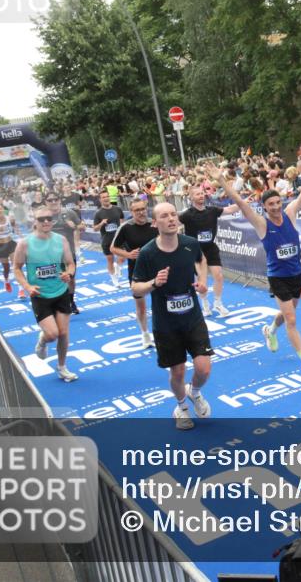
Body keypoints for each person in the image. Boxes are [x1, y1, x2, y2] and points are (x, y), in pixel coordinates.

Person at [206, 152, 301, 380]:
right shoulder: (261, 223)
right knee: (293, 320)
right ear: (264, 206)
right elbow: (238, 200)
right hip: (278, 277)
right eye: (271, 204)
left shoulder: (290, 214)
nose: (276, 207)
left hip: (297, 274)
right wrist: (221, 179)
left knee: (288, 314)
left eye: (278, 202)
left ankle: (270, 330)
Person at [131, 202, 211, 430]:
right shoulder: (147, 253)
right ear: (155, 223)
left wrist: (203, 281)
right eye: (164, 216)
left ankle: (194, 392)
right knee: (177, 371)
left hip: (193, 318)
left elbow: (201, 260)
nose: (171, 219)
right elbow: (135, 288)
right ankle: (181, 406)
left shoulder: (190, 244)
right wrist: (154, 283)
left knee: (204, 368)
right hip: (166, 324)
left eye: (173, 214)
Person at [12, 207, 78, 382]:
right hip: (40, 295)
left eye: (49, 218)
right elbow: (17, 268)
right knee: (52, 334)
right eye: (42, 219)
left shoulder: (61, 240)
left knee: (63, 333)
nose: (46, 222)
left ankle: (62, 367)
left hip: (61, 291)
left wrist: (69, 274)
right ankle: (42, 340)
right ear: (35, 222)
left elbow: (70, 264)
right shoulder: (25, 244)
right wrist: (27, 286)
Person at [178, 184, 239, 317]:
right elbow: (174, 223)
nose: (201, 196)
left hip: (211, 248)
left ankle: (218, 303)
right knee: (201, 279)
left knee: (219, 275)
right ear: (191, 197)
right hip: (195, 251)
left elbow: (229, 210)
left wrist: (243, 203)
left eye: (202, 193)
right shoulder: (187, 215)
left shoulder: (212, 210)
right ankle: (205, 303)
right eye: (197, 194)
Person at [112, 198, 160, 348]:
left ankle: (162, 332)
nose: (140, 212)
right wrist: (128, 255)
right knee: (141, 306)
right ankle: (145, 334)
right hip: (137, 270)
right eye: (137, 210)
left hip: (157, 269)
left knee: (161, 302)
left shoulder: (154, 224)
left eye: (142, 209)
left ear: (146, 209)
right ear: (131, 212)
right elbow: (113, 248)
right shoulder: (126, 227)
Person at [46, 194, 82, 312]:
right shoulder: (44, 216)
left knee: (70, 279)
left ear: (60, 200)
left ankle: (71, 302)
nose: (53, 202)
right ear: (46, 202)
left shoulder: (69, 212)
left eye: (56, 199)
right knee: (55, 279)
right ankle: (58, 303)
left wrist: (75, 226)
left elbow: (83, 227)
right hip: (51, 254)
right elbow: (35, 232)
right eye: (50, 200)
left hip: (68, 253)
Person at [92, 191, 126, 287]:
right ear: (100, 200)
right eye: (103, 197)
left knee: (122, 258)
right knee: (110, 260)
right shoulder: (98, 213)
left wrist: (122, 229)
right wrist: (101, 223)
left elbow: (122, 220)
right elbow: (94, 229)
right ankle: (114, 279)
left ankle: (118, 267)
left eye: (107, 196)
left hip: (118, 239)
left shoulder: (118, 209)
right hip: (107, 240)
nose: (106, 198)